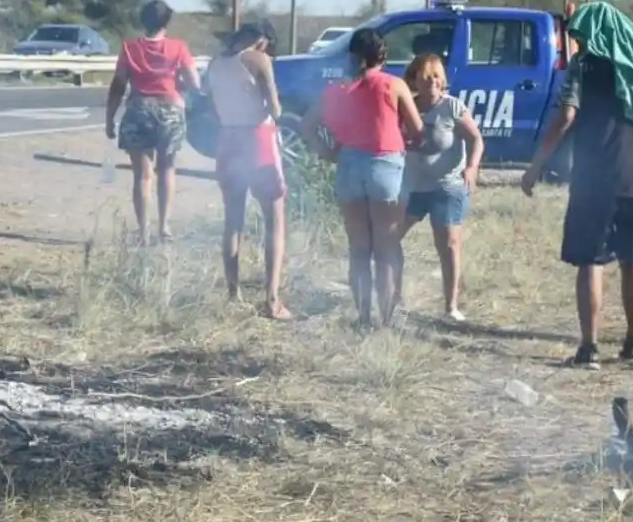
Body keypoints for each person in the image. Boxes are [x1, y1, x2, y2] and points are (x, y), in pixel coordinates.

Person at [520, 1, 633, 370]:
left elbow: (566, 116)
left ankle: (589, 348)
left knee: (589, 262)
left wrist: (536, 166)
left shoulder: (584, 66)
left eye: (581, 34)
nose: (578, 42)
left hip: (595, 181)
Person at [300, 28, 424, 328]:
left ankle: (364, 316)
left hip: (349, 164)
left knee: (358, 248)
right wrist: (408, 143)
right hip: (386, 166)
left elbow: (307, 126)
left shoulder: (336, 90)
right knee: (386, 246)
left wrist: (327, 152)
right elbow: (418, 129)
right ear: (382, 55)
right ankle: (387, 319)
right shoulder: (393, 85)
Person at [206, 21, 291, 320]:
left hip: (228, 139)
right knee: (274, 219)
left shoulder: (215, 64)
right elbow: (275, 108)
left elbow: (212, 107)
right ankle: (272, 300)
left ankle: (234, 294)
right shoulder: (258, 59)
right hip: (258, 138)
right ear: (261, 40)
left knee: (233, 221)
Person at [105, 0, 200, 245]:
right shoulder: (178, 48)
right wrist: (179, 85)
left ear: (142, 20)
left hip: (139, 109)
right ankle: (164, 228)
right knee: (167, 168)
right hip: (170, 109)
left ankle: (143, 231)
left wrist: (110, 118)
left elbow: (118, 85)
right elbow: (194, 83)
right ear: (167, 22)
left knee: (142, 175)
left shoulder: (129, 48)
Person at [400, 53, 484, 322]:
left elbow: (476, 139)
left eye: (437, 76)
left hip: (447, 187)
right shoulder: (405, 106)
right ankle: (392, 296)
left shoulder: (452, 107)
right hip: (412, 187)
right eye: (426, 77)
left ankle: (451, 307)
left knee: (448, 244)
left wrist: (472, 167)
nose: (433, 82)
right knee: (388, 237)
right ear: (414, 79)